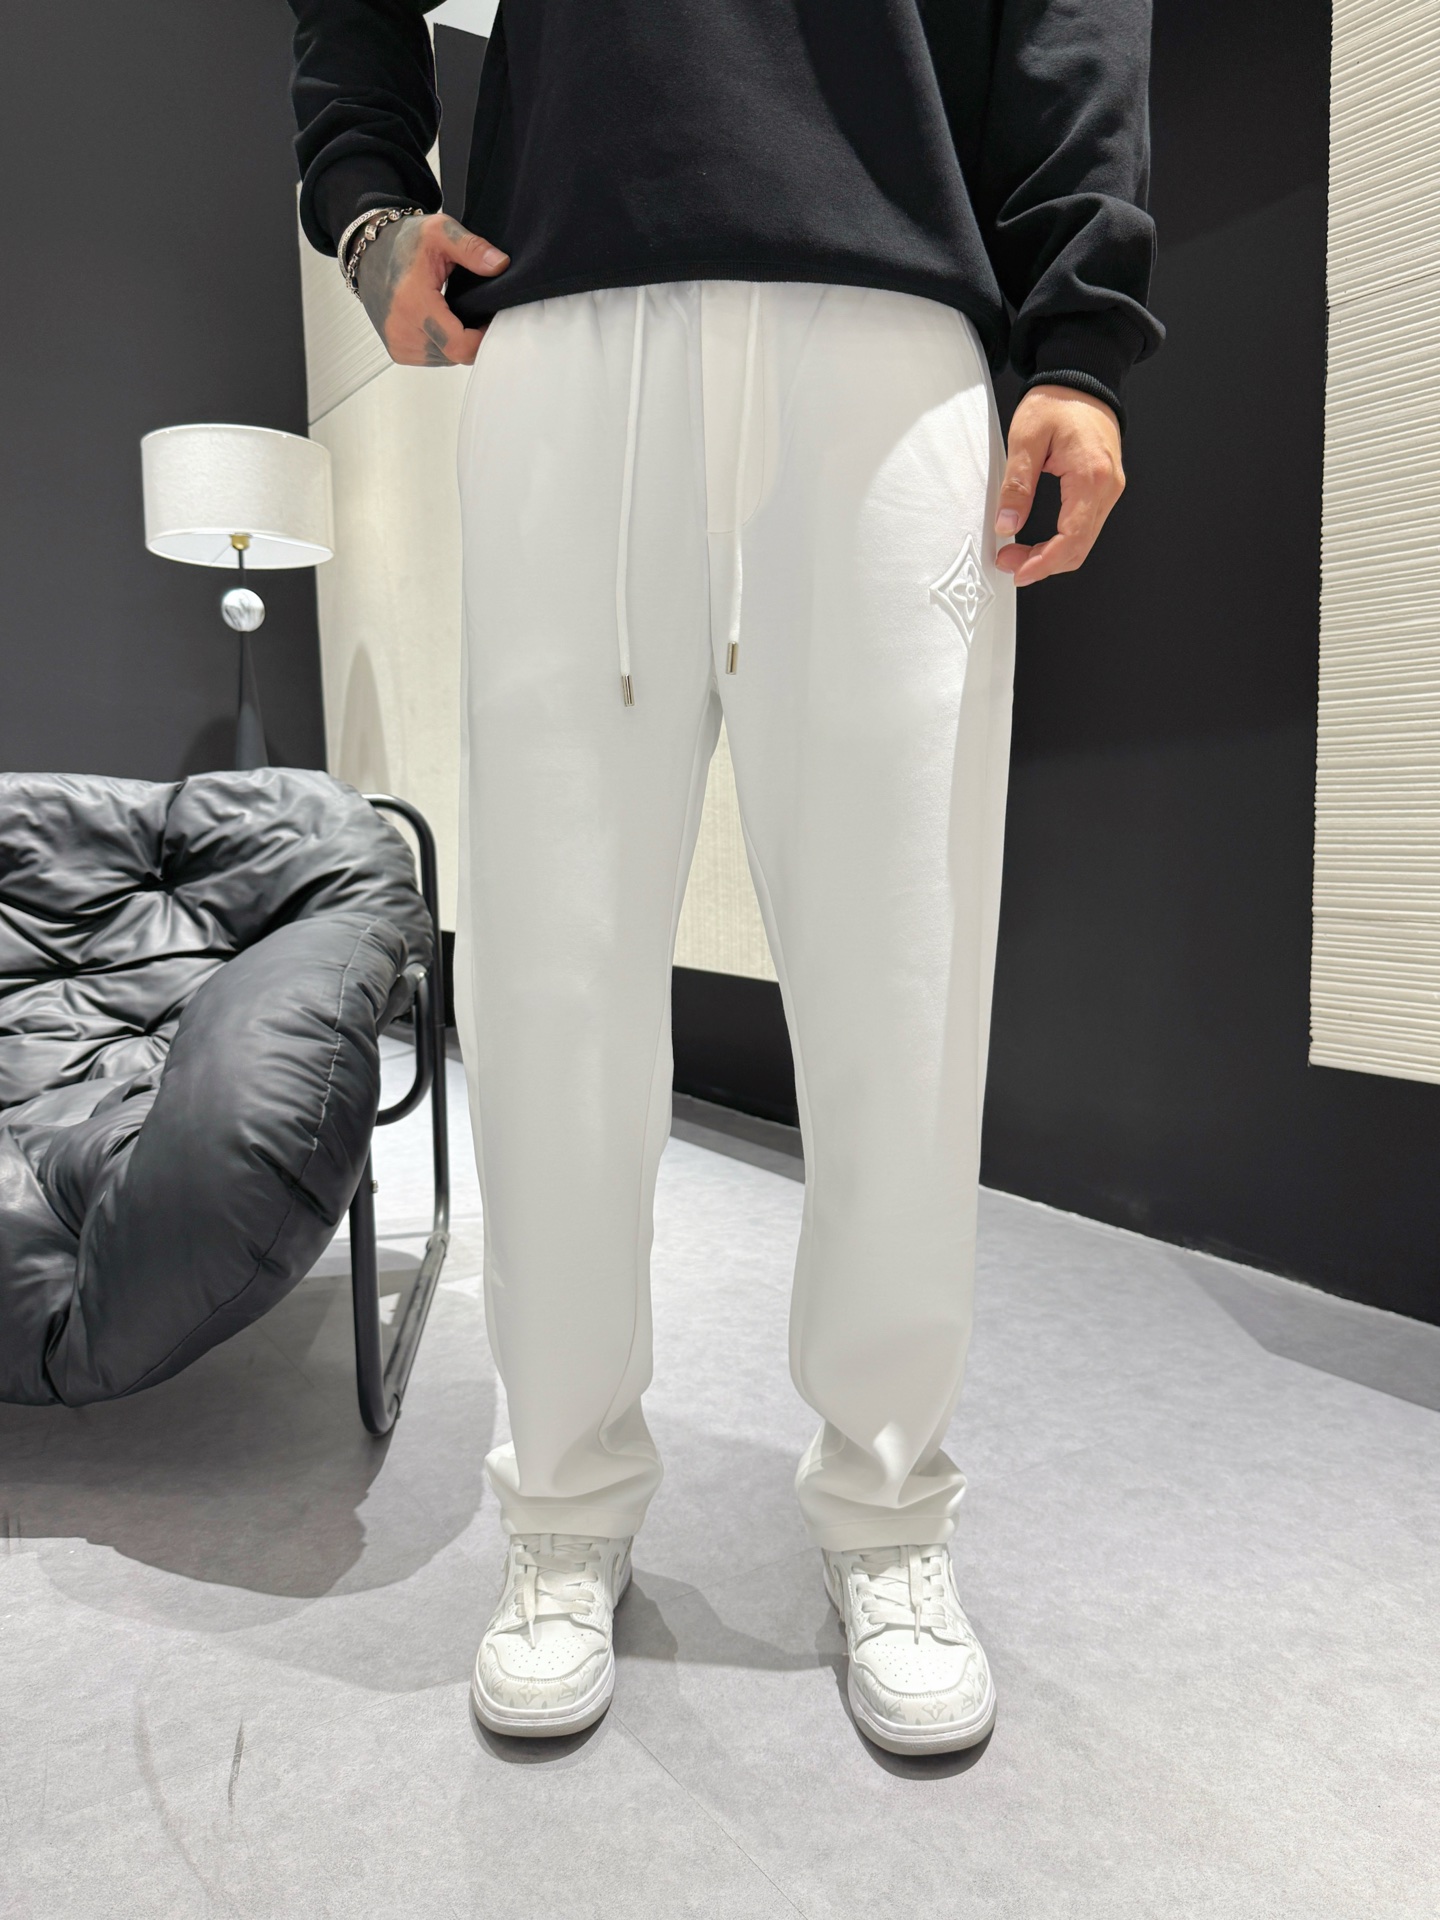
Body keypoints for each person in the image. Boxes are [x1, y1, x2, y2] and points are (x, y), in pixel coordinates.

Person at [289, 0, 1161, 1756]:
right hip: (565, 301)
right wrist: (368, 196)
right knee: (549, 983)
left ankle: (889, 1510)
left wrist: (1078, 328)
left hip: (890, 300)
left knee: (901, 988)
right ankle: (563, 1504)